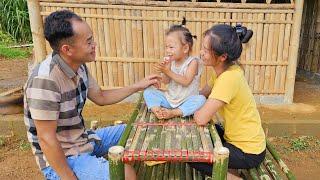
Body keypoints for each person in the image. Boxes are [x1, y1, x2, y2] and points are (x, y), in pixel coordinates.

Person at [24, 10, 160, 180]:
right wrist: (69, 178)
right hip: (65, 158)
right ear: (67, 49)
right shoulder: (45, 80)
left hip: (83, 140)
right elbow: (46, 139)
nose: (94, 45)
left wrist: (138, 86)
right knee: (126, 175)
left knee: (138, 132)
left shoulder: (79, 66)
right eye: (89, 42)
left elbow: (101, 97)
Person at [190, 24, 266, 179]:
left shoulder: (228, 78)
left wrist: (192, 109)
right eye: (202, 48)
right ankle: (231, 171)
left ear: (222, 56)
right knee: (203, 135)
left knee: (192, 156)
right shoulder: (223, 72)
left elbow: (201, 118)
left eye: (205, 50)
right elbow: (201, 95)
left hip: (248, 151)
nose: (201, 53)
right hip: (237, 140)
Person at [143, 18, 206, 120]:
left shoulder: (192, 62)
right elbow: (166, 81)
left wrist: (168, 71)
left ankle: (174, 112)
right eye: (166, 47)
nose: (168, 50)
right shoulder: (171, 61)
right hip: (169, 99)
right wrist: (164, 72)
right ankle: (157, 110)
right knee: (148, 91)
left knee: (201, 99)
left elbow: (186, 81)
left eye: (171, 47)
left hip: (187, 100)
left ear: (185, 48)